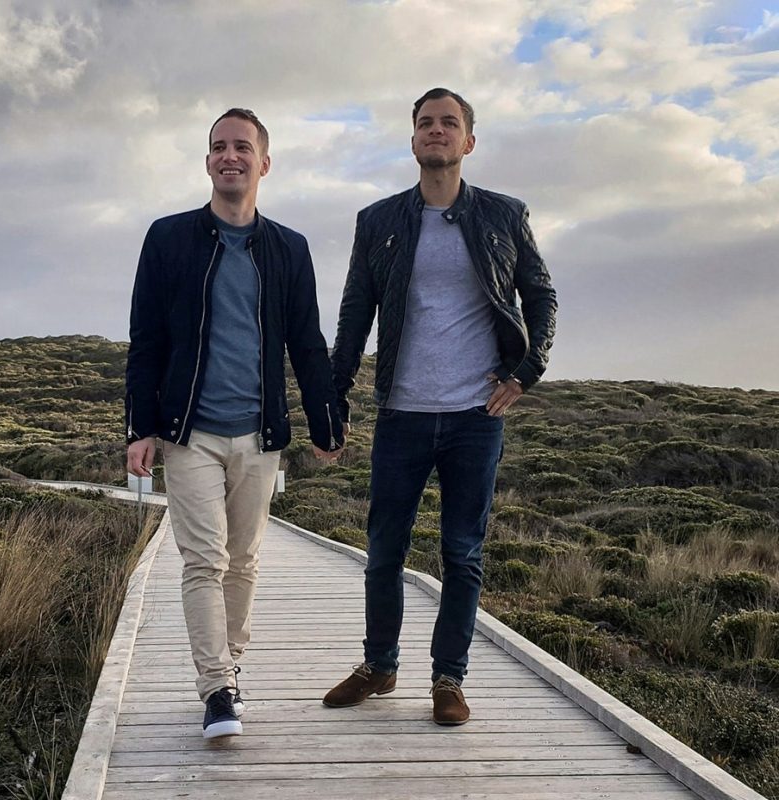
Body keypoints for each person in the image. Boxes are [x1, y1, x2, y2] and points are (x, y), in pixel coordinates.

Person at [324, 88, 557, 725]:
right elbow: (353, 316)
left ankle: (449, 680)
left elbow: (539, 296)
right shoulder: (379, 221)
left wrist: (525, 371)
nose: (436, 131)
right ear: (413, 140)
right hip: (401, 413)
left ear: (468, 142)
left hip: (473, 418)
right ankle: (380, 664)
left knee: (463, 553)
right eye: (426, 123)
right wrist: (333, 401)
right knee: (383, 551)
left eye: (448, 123)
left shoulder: (504, 215)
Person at [125, 108, 344, 739]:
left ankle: (233, 667)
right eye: (219, 147)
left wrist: (326, 417)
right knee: (204, 560)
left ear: (263, 162)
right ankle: (216, 687)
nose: (230, 156)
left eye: (242, 147)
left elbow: (306, 342)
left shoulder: (288, 248)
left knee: (244, 561)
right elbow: (147, 337)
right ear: (207, 162)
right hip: (186, 430)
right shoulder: (168, 238)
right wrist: (140, 426)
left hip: (260, 433)